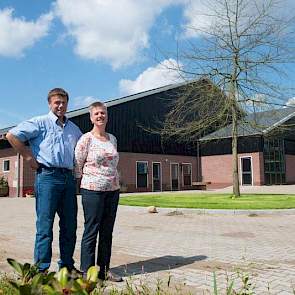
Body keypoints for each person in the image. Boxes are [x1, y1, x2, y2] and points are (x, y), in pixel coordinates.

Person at [6, 88, 82, 273]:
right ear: (50, 103)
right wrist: (28, 157)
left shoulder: (74, 128)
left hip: (68, 178)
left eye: (63, 102)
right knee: (45, 226)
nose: (60, 106)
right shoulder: (40, 123)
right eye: (57, 102)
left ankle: (67, 267)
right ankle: (41, 270)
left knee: (69, 225)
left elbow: (82, 150)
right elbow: (11, 135)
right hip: (47, 178)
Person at [74, 101, 122, 282]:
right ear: (91, 117)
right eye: (97, 114)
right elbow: (77, 164)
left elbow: (114, 163)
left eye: (103, 113)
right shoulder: (86, 139)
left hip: (113, 190)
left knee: (107, 231)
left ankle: (104, 270)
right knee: (91, 230)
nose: (100, 116)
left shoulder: (113, 138)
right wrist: (84, 183)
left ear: (107, 116)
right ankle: (88, 271)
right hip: (92, 190)